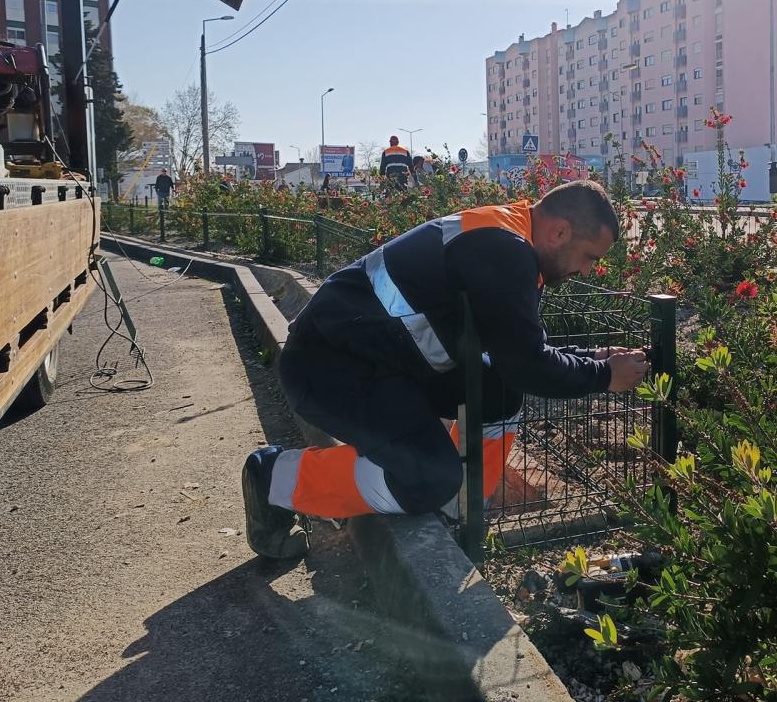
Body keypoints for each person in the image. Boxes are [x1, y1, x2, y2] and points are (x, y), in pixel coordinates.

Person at [240, 180, 646, 558]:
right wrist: (605, 375)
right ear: (560, 232)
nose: (589, 270)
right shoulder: (505, 250)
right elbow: (528, 366)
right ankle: (272, 477)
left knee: (498, 388)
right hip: (327, 370)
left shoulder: (509, 237)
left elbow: (517, 353)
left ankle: (460, 508)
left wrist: (595, 357)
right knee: (428, 478)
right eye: (590, 257)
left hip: (379, 359)